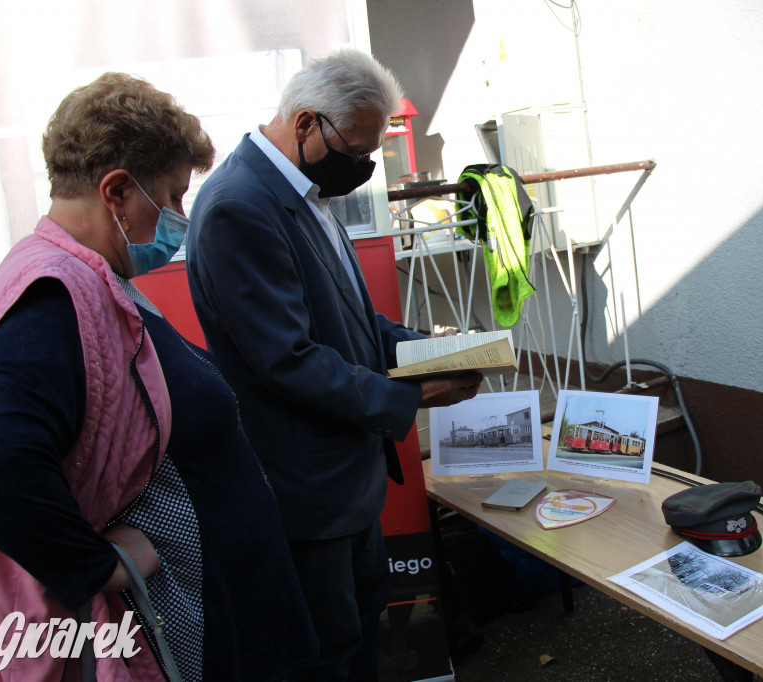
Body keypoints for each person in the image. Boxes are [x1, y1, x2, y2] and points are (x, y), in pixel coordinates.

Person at [0, 73, 318, 680]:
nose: (179, 217)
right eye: (172, 196)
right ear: (116, 192)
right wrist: (96, 566)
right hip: (186, 626)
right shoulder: (53, 296)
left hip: (227, 614)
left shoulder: (93, 277)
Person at [184, 48, 481, 682]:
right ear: (306, 124)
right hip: (305, 492)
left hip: (345, 483)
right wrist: (414, 395)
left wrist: (437, 350)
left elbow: (353, 322)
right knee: (328, 654)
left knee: (360, 632)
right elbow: (288, 360)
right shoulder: (240, 204)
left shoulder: (304, 191)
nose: (364, 167)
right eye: (358, 150)